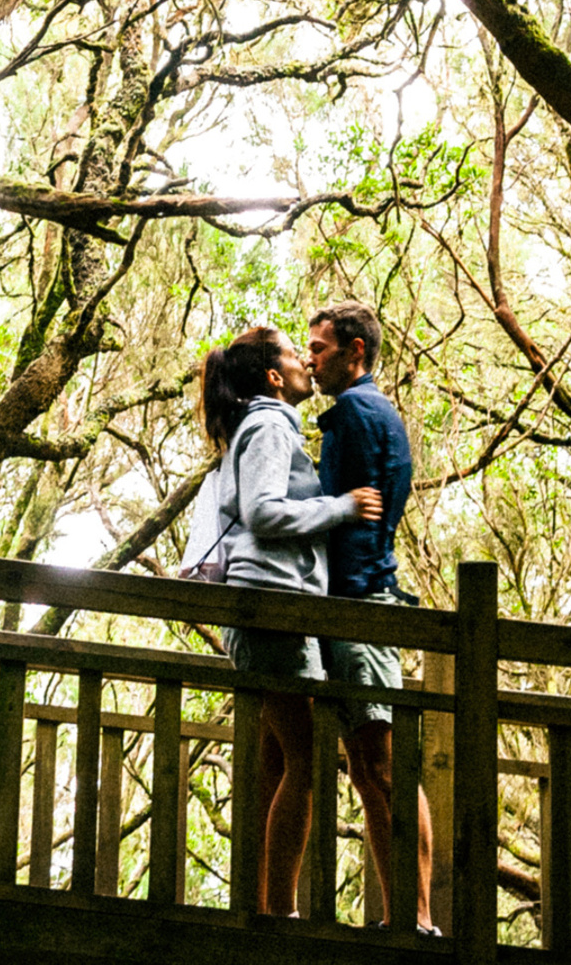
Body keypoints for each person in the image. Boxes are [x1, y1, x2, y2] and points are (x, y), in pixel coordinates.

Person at [200, 325, 382, 916]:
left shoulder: (260, 425)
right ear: (275, 378)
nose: (307, 361)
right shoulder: (272, 423)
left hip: (272, 606)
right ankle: (279, 915)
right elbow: (262, 511)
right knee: (308, 762)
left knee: (280, 761)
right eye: (293, 355)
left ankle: (261, 907)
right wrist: (342, 507)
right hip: (270, 607)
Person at [307, 298, 436, 934]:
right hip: (358, 600)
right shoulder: (369, 411)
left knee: (381, 765)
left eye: (320, 348)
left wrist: (343, 604)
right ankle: (404, 916)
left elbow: (362, 515)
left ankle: (413, 917)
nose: (311, 359)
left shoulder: (359, 413)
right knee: (366, 765)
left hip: (358, 604)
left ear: (356, 351)